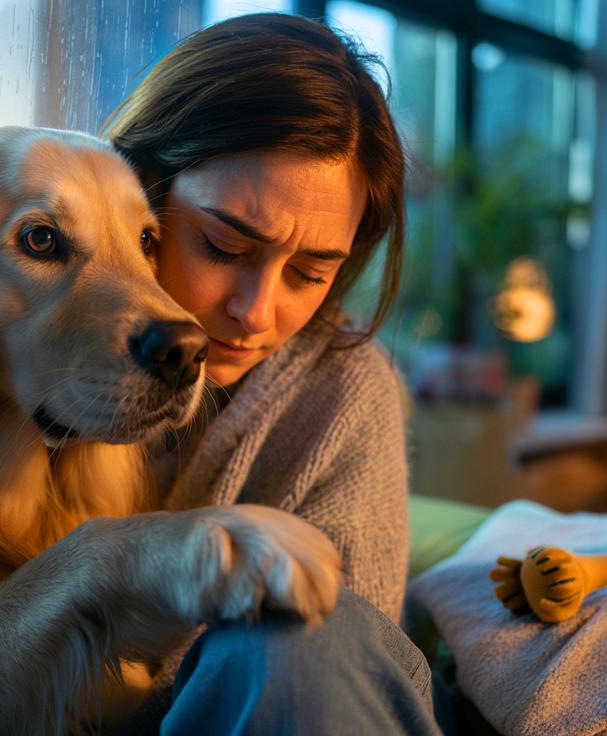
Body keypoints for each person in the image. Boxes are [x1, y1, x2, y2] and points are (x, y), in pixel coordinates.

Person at [101, 13, 446, 735]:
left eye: (311, 273)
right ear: (139, 184)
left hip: (301, 687)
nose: (256, 312)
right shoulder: (28, 351)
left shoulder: (343, 393)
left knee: (304, 640)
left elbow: (336, 673)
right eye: (223, 246)